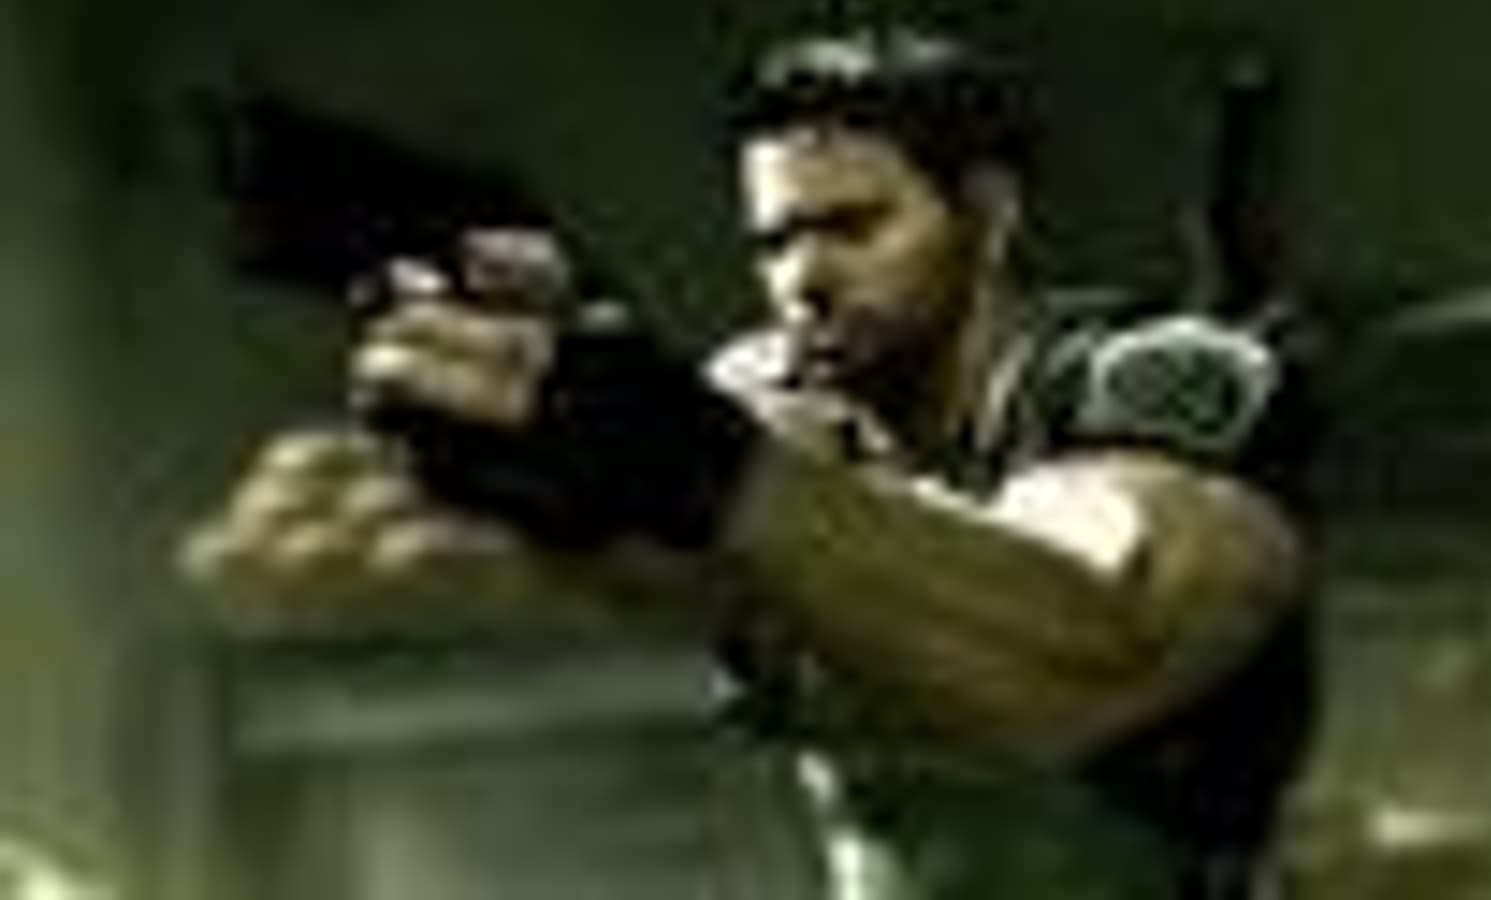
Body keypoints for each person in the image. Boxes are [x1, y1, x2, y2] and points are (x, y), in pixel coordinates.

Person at [184, 27, 1315, 900]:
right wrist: (507, 463)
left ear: (986, 212)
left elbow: (1089, 645)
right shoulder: (770, 400)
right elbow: (636, 563)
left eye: (854, 227)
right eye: (776, 241)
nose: (804, 281)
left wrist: (695, 469)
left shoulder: (1146, 383)